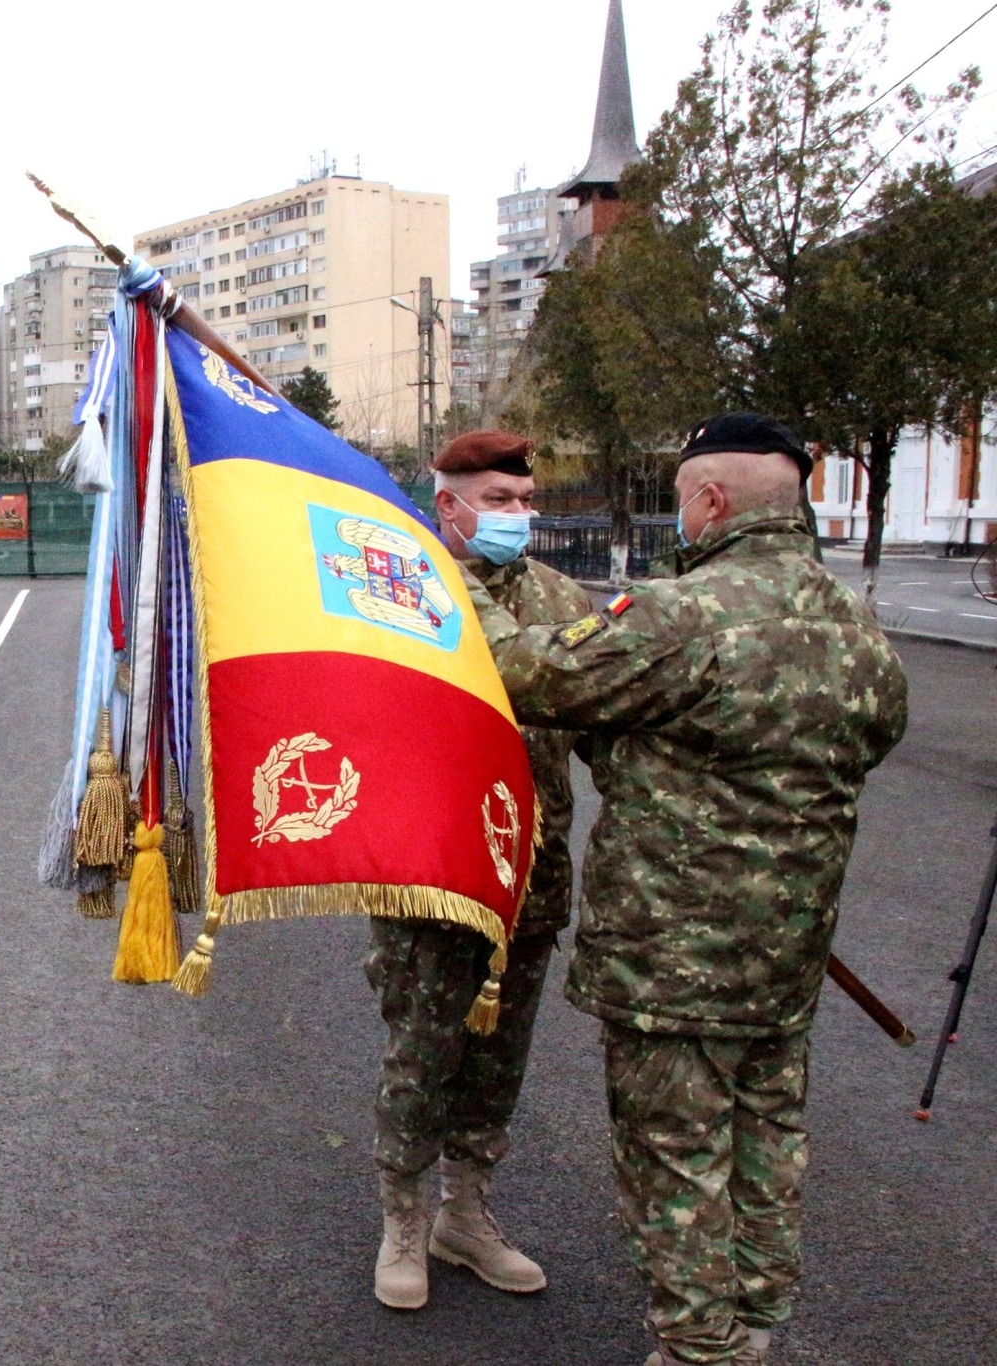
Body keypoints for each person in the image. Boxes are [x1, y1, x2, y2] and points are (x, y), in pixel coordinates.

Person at [464, 414, 908, 1366]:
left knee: (676, 1152)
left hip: (676, 957)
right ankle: (754, 1323)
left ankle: (700, 1346)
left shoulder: (683, 615)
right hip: (787, 947)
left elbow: (523, 673)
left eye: (680, 499)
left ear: (710, 501)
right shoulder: (857, 626)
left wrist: (465, 586)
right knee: (768, 1134)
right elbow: (868, 741)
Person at [366, 430, 588, 1310]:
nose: (517, 517)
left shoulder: (560, 596)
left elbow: (604, 718)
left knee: (499, 1059)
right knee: (423, 1053)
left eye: (523, 501)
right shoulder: (398, 592)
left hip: (530, 872)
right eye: (498, 500)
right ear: (447, 504)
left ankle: (467, 1214)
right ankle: (404, 1223)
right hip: (432, 869)